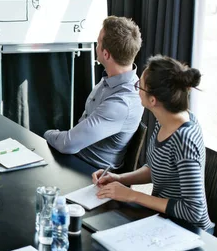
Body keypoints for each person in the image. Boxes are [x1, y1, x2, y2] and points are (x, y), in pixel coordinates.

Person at [94, 55, 214, 231]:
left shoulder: (184, 140)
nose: (137, 90)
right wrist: (119, 178)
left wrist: (133, 195)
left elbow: (194, 210)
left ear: (153, 100)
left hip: (188, 231)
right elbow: (155, 168)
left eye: (139, 86)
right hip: (163, 220)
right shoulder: (164, 121)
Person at [44, 16, 144, 169]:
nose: (96, 46)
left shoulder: (121, 103)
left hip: (90, 171)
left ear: (106, 54)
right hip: (77, 156)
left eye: (98, 43)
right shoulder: (112, 78)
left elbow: (68, 144)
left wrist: (45, 134)